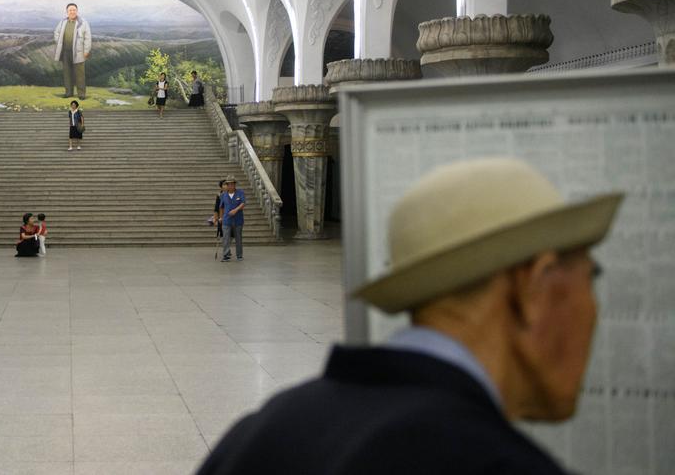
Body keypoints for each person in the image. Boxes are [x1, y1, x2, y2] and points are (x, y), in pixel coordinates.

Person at [197, 157, 624, 475]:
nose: (594, 309)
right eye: (591, 276)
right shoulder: (496, 464)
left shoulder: (264, 432)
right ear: (536, 285)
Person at [53, 2, 92, 99]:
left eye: (74, 10)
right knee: (67, 73)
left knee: (80, 74)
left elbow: (88, 37)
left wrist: (86, 50)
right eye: (70, 10)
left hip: (78, 53)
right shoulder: (62, 22)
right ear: (67, 12)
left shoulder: (83, 22)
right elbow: (56, 33)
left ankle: (81, 94)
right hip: (65, 52)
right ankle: (69, 93)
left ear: (77, 11)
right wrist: (60, 43)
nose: (72, 12)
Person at [218, 176, 245, 262]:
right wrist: (221, 218)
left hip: (238, 219)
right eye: (228, 184)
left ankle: (239, 255)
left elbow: (243, 203)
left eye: (232, 184)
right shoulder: (223, 195)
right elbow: (221, 207)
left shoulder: (240, 192)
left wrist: (235, 210)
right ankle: (226, 255)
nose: (230, 186)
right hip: (226, 220)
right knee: (226, 238)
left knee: (238, 238)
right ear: (226, 185)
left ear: (235, 184)